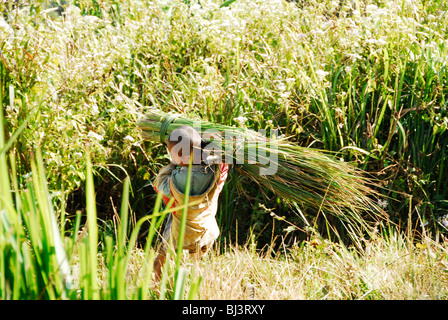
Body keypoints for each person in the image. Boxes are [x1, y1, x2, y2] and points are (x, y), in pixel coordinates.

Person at [152, 125, 229, 281]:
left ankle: (156, 288)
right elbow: (223, 170)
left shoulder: (179, 179)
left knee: (161, 260)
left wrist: (172, 165)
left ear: (182, 157)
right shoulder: (213, 170)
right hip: (206, 229)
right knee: (195, 266)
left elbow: (160, 185)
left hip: (180, 232)